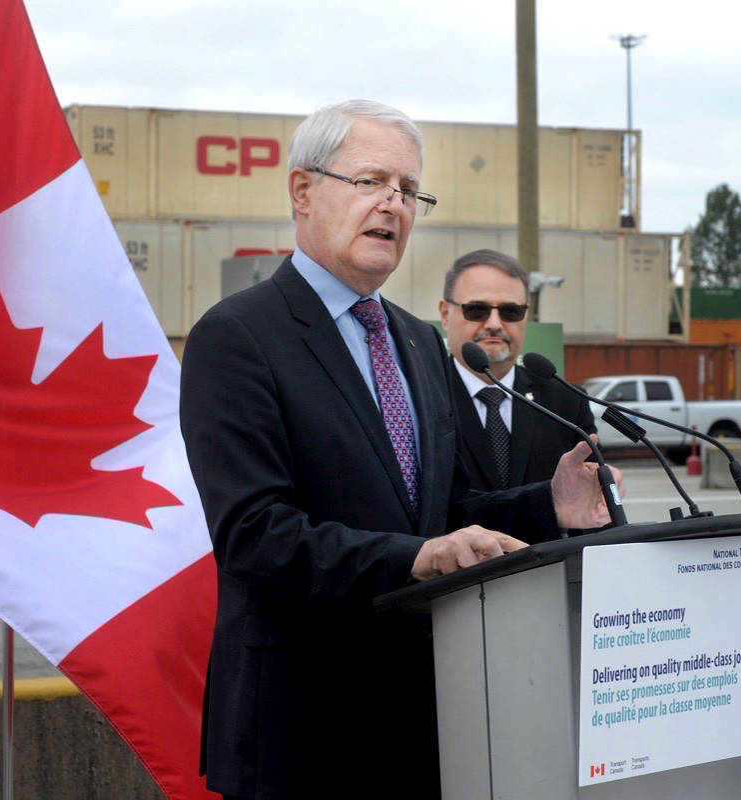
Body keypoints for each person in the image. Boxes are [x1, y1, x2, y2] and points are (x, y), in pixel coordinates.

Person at [179, 99, 616, 800]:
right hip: (304, 732)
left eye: (409, 190)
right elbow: (254, 534)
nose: (394, 205)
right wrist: (413, 557)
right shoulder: (238, 337)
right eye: (371, 182)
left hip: (429, 723)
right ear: (302, 190)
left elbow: (444, 508)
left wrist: (549, 505)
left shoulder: (417, 340)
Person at [439, 249, 597, 491]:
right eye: (476, 310)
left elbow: (590, 510)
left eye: (510, 311)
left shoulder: (567, 404)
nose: (494, 324)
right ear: (445, 314)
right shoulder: (418, 400)